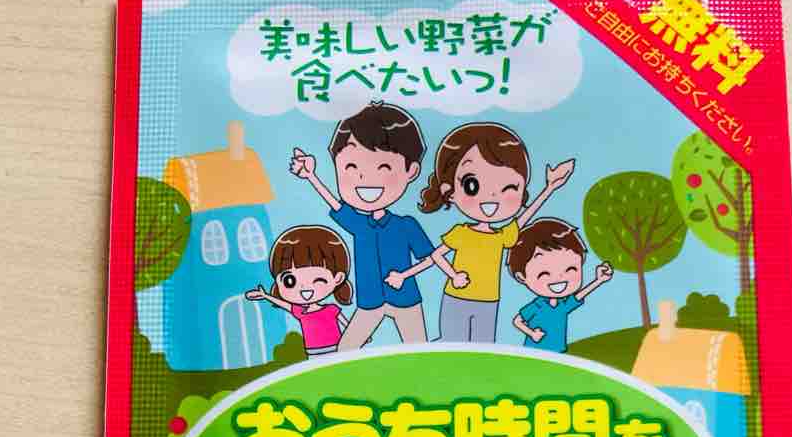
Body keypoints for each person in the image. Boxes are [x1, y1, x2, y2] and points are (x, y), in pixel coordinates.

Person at [384, 122, 574, 343]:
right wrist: (448, 275)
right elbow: (435, 256)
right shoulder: (461, 233)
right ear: (449, 191)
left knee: (482, 347)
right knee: (452, 343)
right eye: (472, 185)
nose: (492, 196)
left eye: (508, 188)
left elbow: (522, 220)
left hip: (489, 301)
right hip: (457, 297)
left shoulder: (501, 236)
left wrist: (549, 188)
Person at [289, 102, 436, 348]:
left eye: (384, 167)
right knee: (346, 349)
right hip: (370, 300)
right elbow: (337, 206)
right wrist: (311, 176)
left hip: (405, 298)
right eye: (351, 167)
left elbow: (430, 258)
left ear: (411, 171)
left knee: (419, 350)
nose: (364, 178)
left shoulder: (406, 225)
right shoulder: (360, 225)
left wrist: (404, 275)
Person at [507, 218, 613, 353]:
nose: (559, 279)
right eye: (544, 273)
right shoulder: (537, 306)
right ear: (522, 277)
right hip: (535, 352)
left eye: (570, 269)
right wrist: (532, 333)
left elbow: (578, 296)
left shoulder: (562, 305)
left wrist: (599, 280)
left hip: (558, 351)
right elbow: (517, 321)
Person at [245, 225, 351, 357]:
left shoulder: (331, 309)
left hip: (336, 349)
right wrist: (265, 296)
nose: (305, 289)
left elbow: (348, 326)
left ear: (338, 278)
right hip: (312, 353)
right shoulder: (300, 312)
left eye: (318, 279)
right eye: (290, 281)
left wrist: (360, 336)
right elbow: (284, 304)